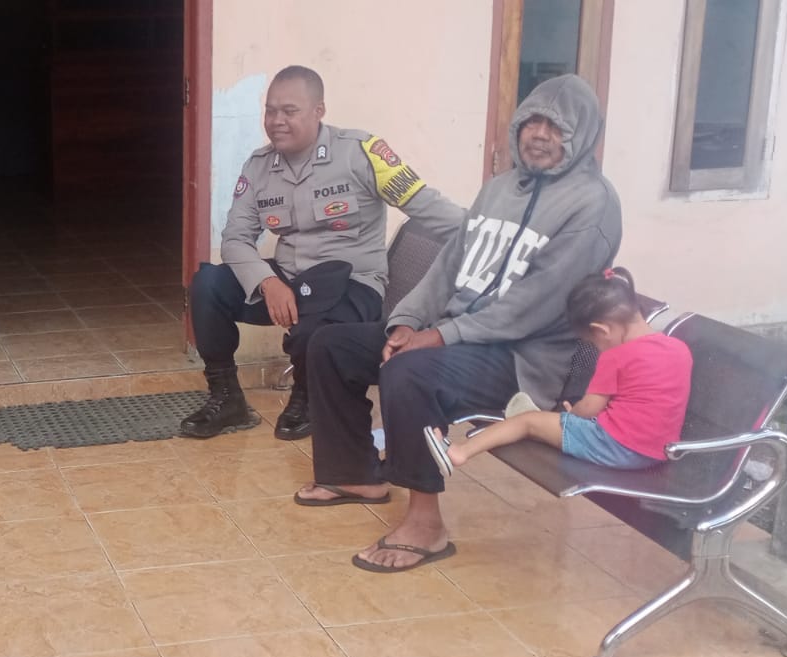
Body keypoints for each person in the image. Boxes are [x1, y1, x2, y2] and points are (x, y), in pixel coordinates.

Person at [295, 74, 622, 573]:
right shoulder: (499, 189)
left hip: (522, 361)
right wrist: (406, 323)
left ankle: (426, 524)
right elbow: (448, 267)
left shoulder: (593, 205)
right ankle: (353, 473)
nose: (540, 134)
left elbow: (538, 304)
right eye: (532, 121)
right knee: (331, 345)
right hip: (458, 336)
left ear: (582, 137)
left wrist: (438, 337)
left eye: (557, 128)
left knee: (409, 373)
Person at [182, 65, 463, 440]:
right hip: (289, 280)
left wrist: (497, 235)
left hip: (353, 284)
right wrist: (267, 282)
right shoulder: (260, 166)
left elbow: (430, 208)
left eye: (289, 111)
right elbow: (235, 237)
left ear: (319, 111)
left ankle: (308, 397)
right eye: (270, 110)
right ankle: (226, 397)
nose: (276, 121)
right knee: (208, 285)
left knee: (311, 329)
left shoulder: (363, 154)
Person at [423, 268, 691, 476]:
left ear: (602, 330)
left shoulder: (617, 355)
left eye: (593, 342)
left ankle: (459, 452)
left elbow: (591, 408)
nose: (597, 348)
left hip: (616, 446)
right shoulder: (679, 349)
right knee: (540, 422)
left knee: (528, 421)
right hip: (656, 451)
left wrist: (573, 415)